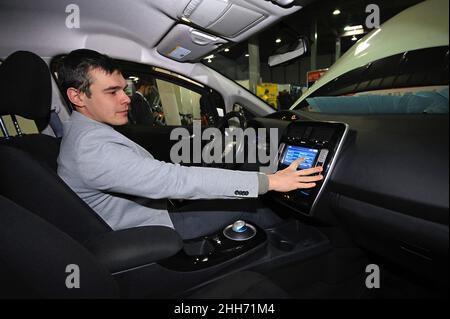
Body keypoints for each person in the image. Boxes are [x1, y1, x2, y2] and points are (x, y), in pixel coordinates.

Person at [56, 49, 323, 240]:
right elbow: (174, 179)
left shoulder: (85, 131)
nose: (126, 98)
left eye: (123, 89)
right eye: (111, 92)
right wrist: (271, 182)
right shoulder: (91, 148)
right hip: (147, 230)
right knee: (254, 206)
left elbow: (153, 176)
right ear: (77, 96)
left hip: (149, 213)